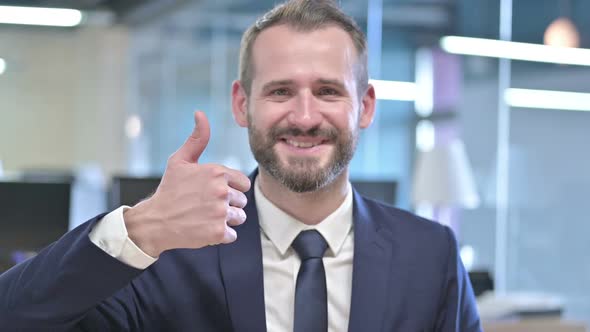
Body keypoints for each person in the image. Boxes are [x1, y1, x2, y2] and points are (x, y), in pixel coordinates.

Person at [0, 0, 482, 331]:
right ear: (242, 103)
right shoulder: (168, 250)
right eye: (279, 90)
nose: (306, 116)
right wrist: (140, 226)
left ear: (366, 106)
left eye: (329, 91)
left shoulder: (431, 255)